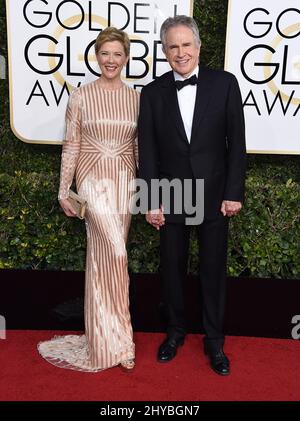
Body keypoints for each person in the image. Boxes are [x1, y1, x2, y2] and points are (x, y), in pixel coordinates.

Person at [138, 15, 246, 376]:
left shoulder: (226, 84)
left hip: (215, 193)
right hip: (172, 193)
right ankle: (175, 333)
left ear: (199, 47)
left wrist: (233, 192)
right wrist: (151, 200)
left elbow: (237, 145)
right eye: (173, 46)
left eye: (186, 45)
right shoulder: (152, 93)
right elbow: (148, 151)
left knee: (213, 270)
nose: (180, 52)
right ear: (165, 52)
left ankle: (215, 341)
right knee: (172, 269)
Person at [38, 27, 139, 372]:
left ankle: (111, 339)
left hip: (125, 184)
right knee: (116, 252)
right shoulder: (80, 95)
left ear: (126, 58)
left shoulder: (137, 98)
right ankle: (116, 340)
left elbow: (140, 149)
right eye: (105, 53)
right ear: (96, 56)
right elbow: (72, 145)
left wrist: (148, 190)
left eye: (117, 54)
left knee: (104, 259)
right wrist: (64, 189)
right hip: (93, 180)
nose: (111, 60)